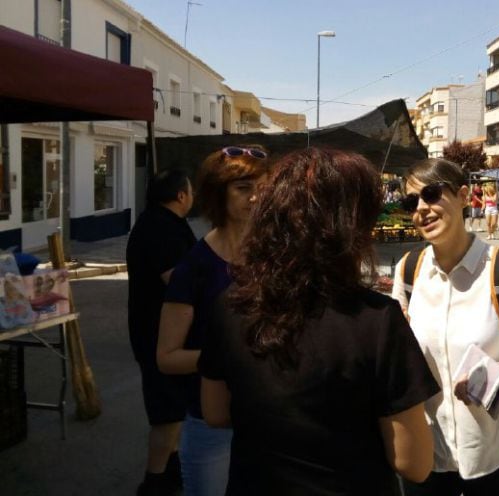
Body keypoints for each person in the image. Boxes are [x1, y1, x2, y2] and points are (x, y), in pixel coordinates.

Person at [197, 148, 438, 495]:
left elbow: (215, 412)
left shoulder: (230, 305)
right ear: (351, 227)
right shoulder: (378, 321)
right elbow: (414, 464)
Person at [392, 158, 499, 496]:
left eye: (433, 194)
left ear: (465, 196)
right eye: (412, 202)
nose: (422, 208)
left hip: (498, 457)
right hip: (430, 458)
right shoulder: (408, 273)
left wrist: (492, 374)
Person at [156, 146, 269, 496]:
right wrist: (229, 358)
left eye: (263, 188)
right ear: (217, 194)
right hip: (211, 426)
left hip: (270, 419)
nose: (256, 198)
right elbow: (167, 356)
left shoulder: (276, 258)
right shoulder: (195, 269)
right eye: (243, 188)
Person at [126, 168, 196, 496]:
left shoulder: (161, 223)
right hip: (158, 334)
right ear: (181, 195)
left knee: (174, 406)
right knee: (166, 411)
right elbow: (178, 281)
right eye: (190, 190)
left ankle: (170, 469)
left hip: (163, 331)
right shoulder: (160, 229)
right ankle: (154, 482)